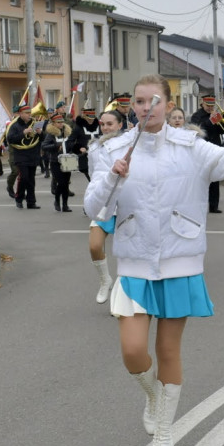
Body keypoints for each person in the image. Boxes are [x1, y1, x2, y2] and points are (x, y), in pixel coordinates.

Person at [84, 74, 224, 446]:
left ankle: (164, 436)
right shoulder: (113, 149)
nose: (145, 107)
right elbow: (93, 208)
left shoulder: (190, 146)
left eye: (153, 100)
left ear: (169, 106)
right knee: (133, 351)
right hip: (135, 259)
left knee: (168, 351)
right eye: (138, 101)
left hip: (179, 258)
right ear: (130, 107)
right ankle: (153, 396)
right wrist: (113, 177)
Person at [88, 109, 126, 303]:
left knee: (124, 254)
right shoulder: (95, 147)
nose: (105, 128)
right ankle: (105, 280)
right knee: (95, 246)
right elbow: (93, 175)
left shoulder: (129, 145)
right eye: (102, 124)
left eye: (110, 124)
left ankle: (120, 296)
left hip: (126, 204)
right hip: (104, 204)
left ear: (120, 125)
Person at [190, 94, 224, 214]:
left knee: (215, 178)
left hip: (216, 148)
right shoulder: (197, 116)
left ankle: (214, 206)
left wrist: (221, 122)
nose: (210, 108)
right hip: (202, 149)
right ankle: (199, 204)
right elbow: (198, 129)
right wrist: (210, 121)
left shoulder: (216, 114)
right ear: (202, 103)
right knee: (201, 178)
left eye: (212, 105)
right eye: (208, 105)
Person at [6, 103, 43, 209]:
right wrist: (24, 133)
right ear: (21, 113)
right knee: (24, 177)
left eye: (29, 113)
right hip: (21, 155)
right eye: (26, 113)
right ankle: (19, 198)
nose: (29, 115)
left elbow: (42, 139)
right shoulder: (15, 125)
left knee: (31, 179)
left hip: (33, 154)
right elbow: (10, 139)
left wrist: (40, 133)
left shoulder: (35, 123)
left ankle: (31, 202)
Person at [40, 112, 76, 212]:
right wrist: (55, 146)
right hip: (56, 161)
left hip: (68, 160)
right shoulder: (51, 134)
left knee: (66, 183)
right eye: (58, 122)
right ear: (53, 123)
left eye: (62, 122)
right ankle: (56, 200)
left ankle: (65, 205)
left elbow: (72, 144)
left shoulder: (67, 132)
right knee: (61, 182)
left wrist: (75, 148)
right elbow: (44, 146)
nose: (61, 124)